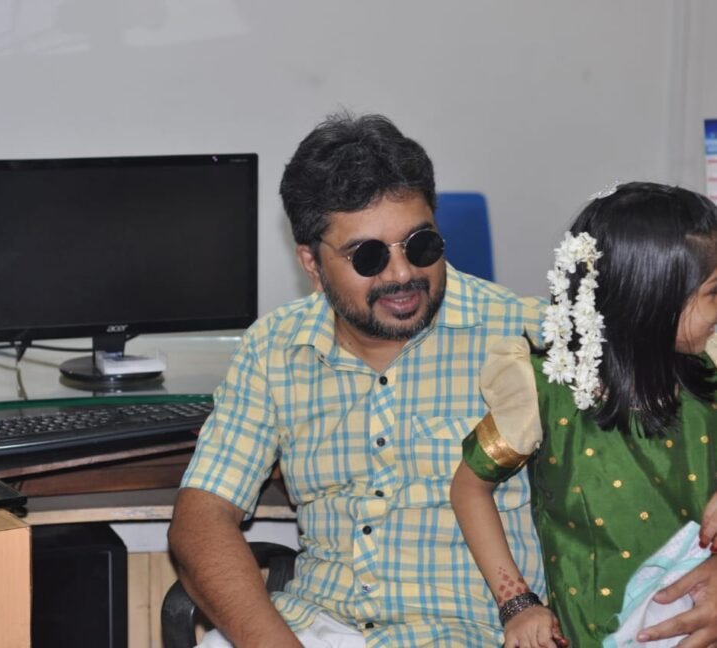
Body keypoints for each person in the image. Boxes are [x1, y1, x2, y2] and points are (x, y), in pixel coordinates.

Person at [167, 112, 548, 646]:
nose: (401, 274)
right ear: (312, 264)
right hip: (315, 628)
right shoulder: (275, 348)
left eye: (420, 244)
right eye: (368, 256)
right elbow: (202, 517)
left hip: (470, 633)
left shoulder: (529, 336)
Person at [451, 181, 717, 647]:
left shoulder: (709, 362)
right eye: (714, 292)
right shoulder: (543, 391)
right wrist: (516, 604)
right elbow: (469, 488)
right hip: (599, 631)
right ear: (650, 300)